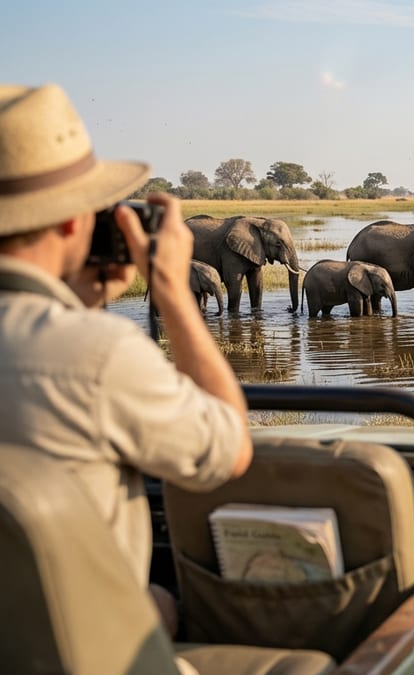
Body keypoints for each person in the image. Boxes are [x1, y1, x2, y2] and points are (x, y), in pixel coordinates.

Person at [0, 84, 253, 632]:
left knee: (159, 605)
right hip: (74, 644)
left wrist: (82, 303)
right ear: (73, 220)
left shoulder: (81, 342)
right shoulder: (97, 356)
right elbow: (228, 449)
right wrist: (171, 293)